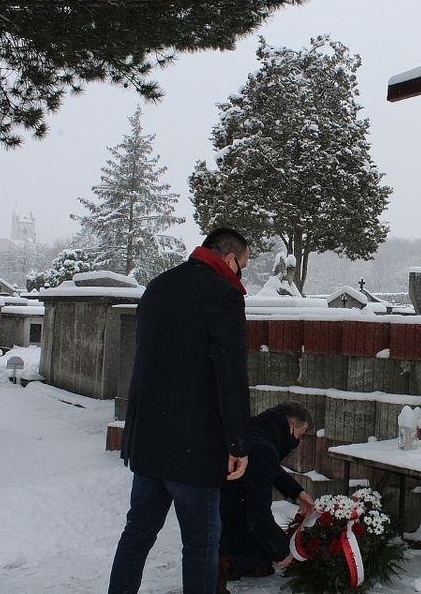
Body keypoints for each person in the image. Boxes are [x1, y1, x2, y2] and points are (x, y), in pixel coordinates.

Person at [108, 227, 252, 594]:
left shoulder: (158, 287)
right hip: (195, 446)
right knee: (201, 543)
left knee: (137, 533)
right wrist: (238, 443)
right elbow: (231, 376)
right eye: (243, 267)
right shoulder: (224, 296)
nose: (241, 276)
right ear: (230, 259)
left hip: (148, 440)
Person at [217, 401, 316, 594]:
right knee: (270, 550)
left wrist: (296, 493)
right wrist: (283, 551)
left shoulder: (254, 429)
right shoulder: (264, 449)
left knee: (270, 546)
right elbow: (257, 515)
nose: (298, 441)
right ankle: (225, 562)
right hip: (228, 523)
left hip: (215, 512)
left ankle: (237, 560)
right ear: (291, 426)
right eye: (300, 435)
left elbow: (269, 470)